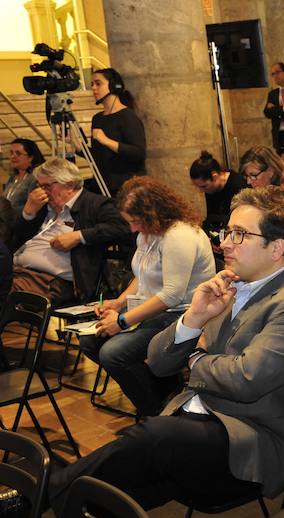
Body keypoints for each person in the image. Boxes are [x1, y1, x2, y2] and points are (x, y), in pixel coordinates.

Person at [46, 186, 284, 518]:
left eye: (239, 235)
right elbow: (158, 363)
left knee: (153, 434)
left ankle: (46, 491)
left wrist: (195, 363)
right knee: (96, 501)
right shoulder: (226, 287)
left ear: (277, 247)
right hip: (192, 426)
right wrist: (193, 319)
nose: (224, 243)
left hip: (246, 442)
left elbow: (246, 379)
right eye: (226, 232)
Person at [78, 177, 216, 417]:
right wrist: (119, 303)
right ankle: (162, 390)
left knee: (113, 353)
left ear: (152, 212)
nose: (132, 229)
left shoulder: (179, 235)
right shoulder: (148, 233)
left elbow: (172, 296)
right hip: (154, 310)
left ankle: (154, 411)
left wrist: (122, 321)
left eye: (134, 221)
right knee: (90, 341)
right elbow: (141, 276)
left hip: (182, 315)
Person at [11, 157, 130, 306]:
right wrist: (28, 213)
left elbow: (123, 226)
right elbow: (14, 239)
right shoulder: (42, 206)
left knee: (5, 292)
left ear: (69, 185)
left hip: (51, 281)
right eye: (39, 186)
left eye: (47, 186)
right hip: (17, 271)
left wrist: (79, 236)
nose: (42, 192)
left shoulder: (96, 204)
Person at [85, 68, 146, 196]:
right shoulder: (97, 118)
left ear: (113, 86)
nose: (94, 88)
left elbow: (138, 153)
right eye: (92, 84)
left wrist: (106, 141)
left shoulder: (127, 116)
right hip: (103, 185)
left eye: (98, 83)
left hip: (125, 187)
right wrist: (79, 147)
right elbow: (99, 156)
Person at [189, 150, 246, 234]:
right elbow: (211, 218)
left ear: (214, 176)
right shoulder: (211, 188)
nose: (201, 191)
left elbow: (241, 220)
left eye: (203, 186)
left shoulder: (238, 185)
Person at [2, 138, 45, 215]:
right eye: (11, 153)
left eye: (18, 153)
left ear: (30, 158)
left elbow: (33, 207)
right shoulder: (12, 178)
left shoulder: (35, 178)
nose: (12, 156)